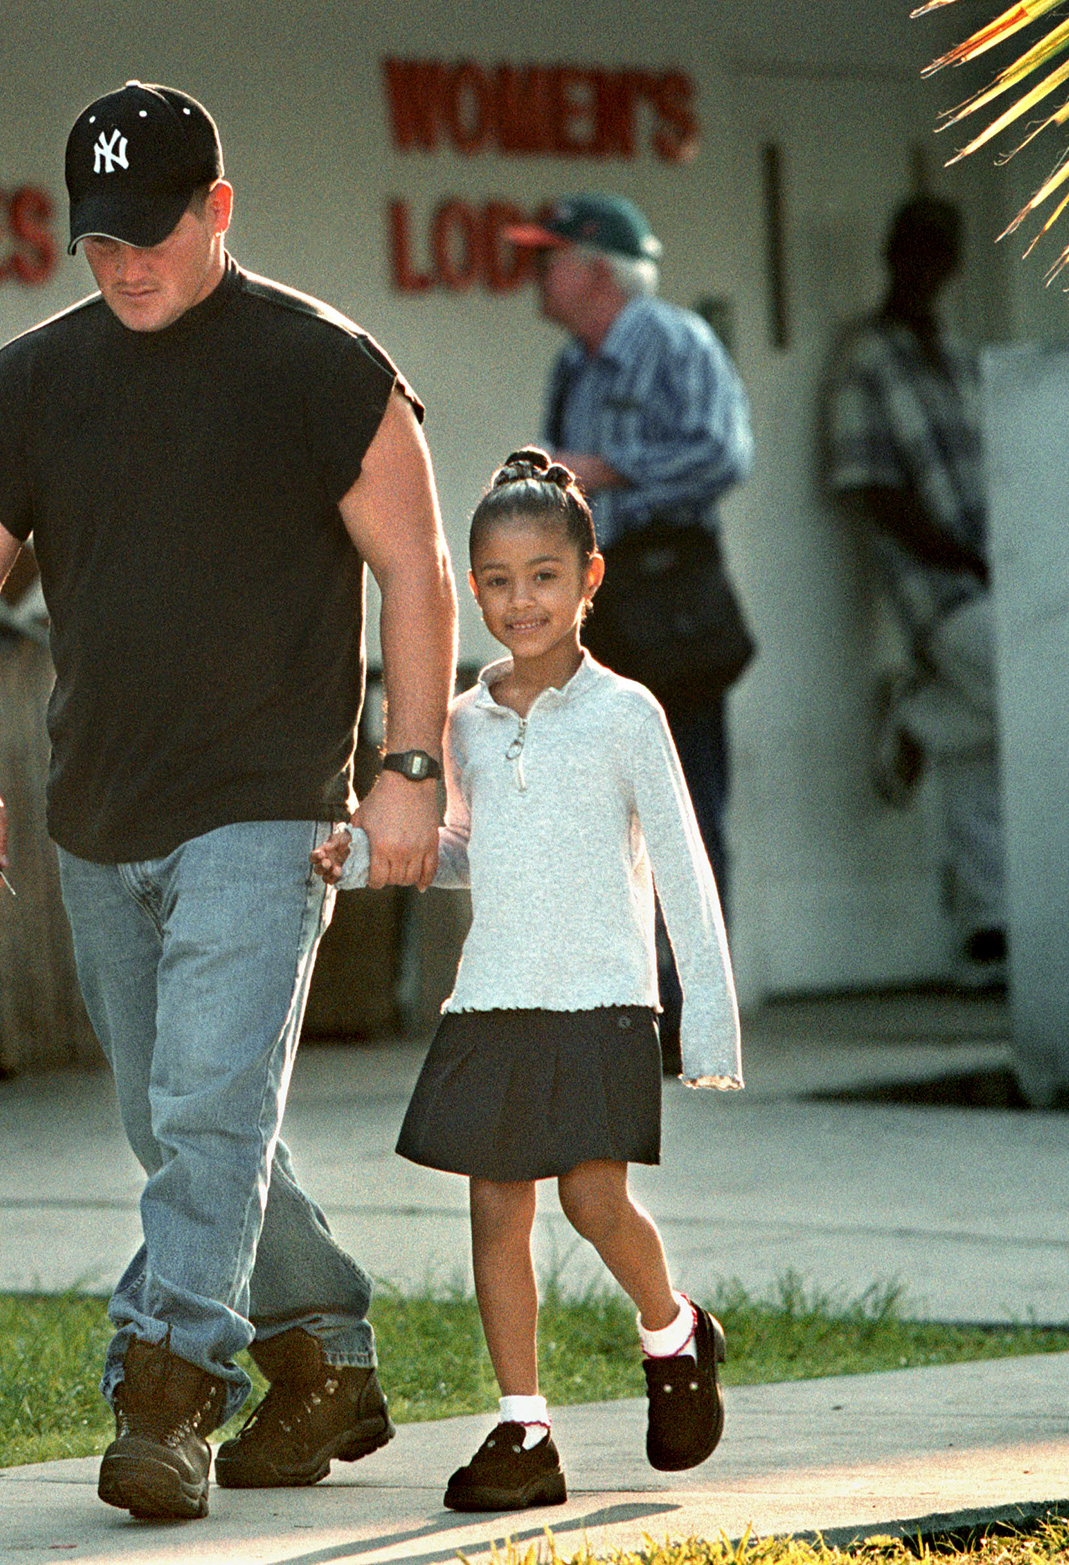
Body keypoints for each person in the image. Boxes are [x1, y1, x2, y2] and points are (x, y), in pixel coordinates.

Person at [0, 82, 457, 1523]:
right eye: (99, 240)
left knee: (211, 1107)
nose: (125, 263)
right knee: (183, 1124)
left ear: (218, 210)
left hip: (268, 805)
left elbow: (416, 566)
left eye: (152, 233)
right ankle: (325, 1354)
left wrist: (411, 770)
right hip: (100, 814)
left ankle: (166, 1398)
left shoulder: (322, 365)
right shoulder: (34, 380)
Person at [316, 449, 743, 1512]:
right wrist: (368, 855)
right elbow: (461, 844)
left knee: (596, 1199)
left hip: (601, 995)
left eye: (545, 575)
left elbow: (686, 871)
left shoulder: (629, 714)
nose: (522, 600)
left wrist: (711, 1031)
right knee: (496, 1212)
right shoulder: (459, 719)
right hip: (494, 996)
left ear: (590, 578)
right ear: (472, 588)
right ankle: (525, 1425)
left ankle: (674, 1329)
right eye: (499, 581)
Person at [502, 195, 754, 1065]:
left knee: (687, 812)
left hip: (669, 595)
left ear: (598, 270)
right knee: (596, 815)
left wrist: (604, 469)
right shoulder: (575, 363)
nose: (537, 275)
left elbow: (724, 453)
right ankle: (622, 1009)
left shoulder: (675, 341)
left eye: (551, 258)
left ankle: (697, 1015)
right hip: (600, 600)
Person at [825, 195, 1004, 977]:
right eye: (910, 247)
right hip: (935, 591)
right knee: (1026, 700)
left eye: (938, 250)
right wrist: (959, 555)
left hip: (997, 573)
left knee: (987, 740)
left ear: (952, 264)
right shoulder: (865, 357)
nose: (922, 265)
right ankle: (920, 711)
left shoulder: (963, 359)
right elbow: (868, 487)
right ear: (892, 254)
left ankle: (986, 926)